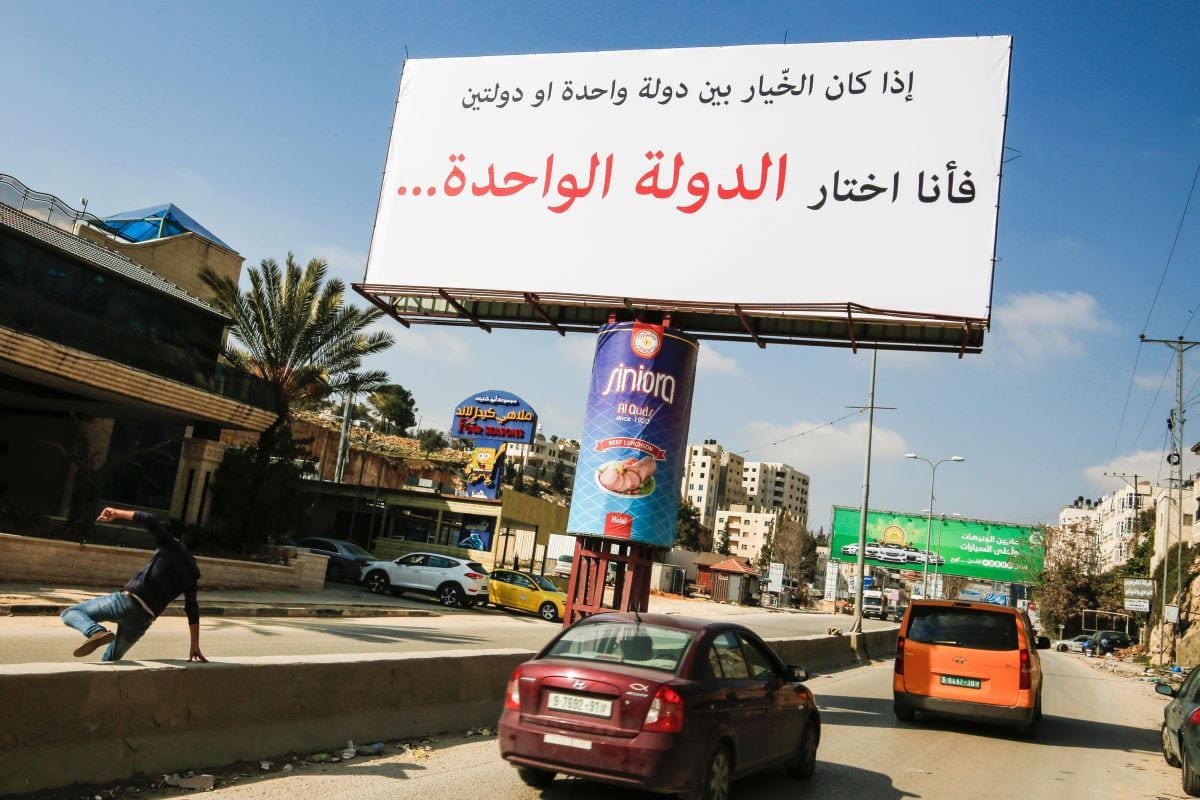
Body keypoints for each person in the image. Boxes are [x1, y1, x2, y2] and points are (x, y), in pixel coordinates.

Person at [60, 507, 207, 663]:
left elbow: (148, 519)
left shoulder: (171, 544)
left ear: (182, 538)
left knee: (70, 612)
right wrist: (194, 645)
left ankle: (95, 631)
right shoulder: (193, 572)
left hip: (127, 602)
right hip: (143, 621)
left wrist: (116, 513)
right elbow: (192, 609)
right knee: (111, 661)